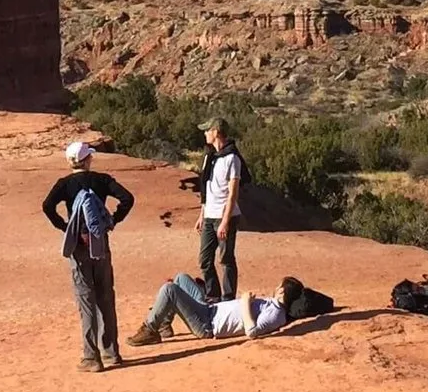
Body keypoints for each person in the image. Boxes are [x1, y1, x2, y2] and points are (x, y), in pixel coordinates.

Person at [42, 141, 133, 371]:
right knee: (105, 297)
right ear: (87, 160)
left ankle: (91, 357)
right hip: (100, 243)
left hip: (79, 246)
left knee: (86, 299)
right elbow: (127, 198)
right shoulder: (101, 180)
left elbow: (47, 206)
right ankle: (111, 353)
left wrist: (65, 227)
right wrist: (112, 220)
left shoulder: (64, 184)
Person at [131, 273, 314, 345]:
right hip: (209, 309)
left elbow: (252, 332)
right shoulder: (273, 305)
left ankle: (150, 329)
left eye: (278, 285)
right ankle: (164, 325)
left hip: (206, 324)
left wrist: (244, 303)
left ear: (281, 291)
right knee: (181, 278)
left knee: (169, 290)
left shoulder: (276, 315)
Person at [183, 119, 245, 300]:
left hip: (226, 216)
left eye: (207, 131)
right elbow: (205, 189)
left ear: (216, 132)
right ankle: (213, 295)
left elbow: (233, 193)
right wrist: (201, 215)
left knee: (226, 259)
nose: (204, 134)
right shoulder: (209, 158)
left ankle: (228, 299)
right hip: (210, 216)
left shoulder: (232, 158)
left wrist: (225, 222)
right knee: (205, 260)